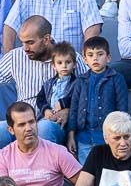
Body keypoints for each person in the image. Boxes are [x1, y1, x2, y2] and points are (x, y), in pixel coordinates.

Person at [0, 16, 84, 147]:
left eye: (30, 42)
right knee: (1, 130)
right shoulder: (15, 56)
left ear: (46, 39)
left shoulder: (69, 58)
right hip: (22, 118)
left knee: (44, 129)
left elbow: (90, 90)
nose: (25, 48)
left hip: (53, 120)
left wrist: (70, 109)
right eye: (22, 42)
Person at [65, 37, 128, 166]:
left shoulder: (116, 79)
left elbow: (122, 109)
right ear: (84, 59)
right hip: (84, 137)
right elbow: (74, 109)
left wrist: (119, 136)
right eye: (90, 55)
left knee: (106, 170)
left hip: (107, 137)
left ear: (108, 57)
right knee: (86, 171)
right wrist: (71, 135)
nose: (95, 58)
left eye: (100, 54)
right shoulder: (80, 81)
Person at [33, 41, 76, 147]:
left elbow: (78, 98)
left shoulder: (77, 83)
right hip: (47, 117)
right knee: (41, 127)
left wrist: (63, 102)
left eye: (68, 62)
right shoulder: (49, 83)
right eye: (60, 63)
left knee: (46, 128)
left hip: (64, 123)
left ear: (74, 64)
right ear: (54, 66)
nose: (64, 66)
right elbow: (40, 99)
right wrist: (45, 109)